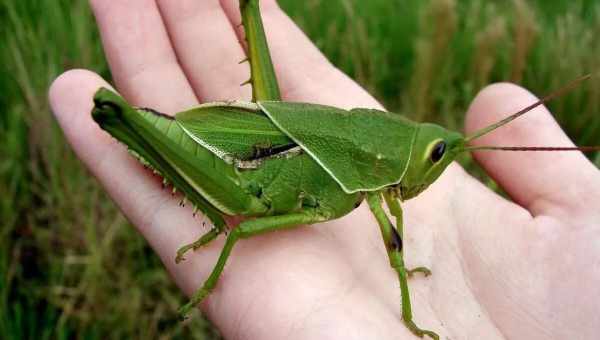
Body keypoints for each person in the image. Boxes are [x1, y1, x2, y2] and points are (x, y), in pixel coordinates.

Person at [49, 1, 600, 339]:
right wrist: (209, 273)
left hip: (278, 144)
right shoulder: (364, 181)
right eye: (434, 156)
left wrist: (406, 298)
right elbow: (247, 224)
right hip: (234, 165)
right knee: (242, 211)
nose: (432, 168)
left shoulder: (378, 181)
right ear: (398, 152)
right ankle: (123, 118)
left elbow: (393, 238)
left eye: (438, 154)